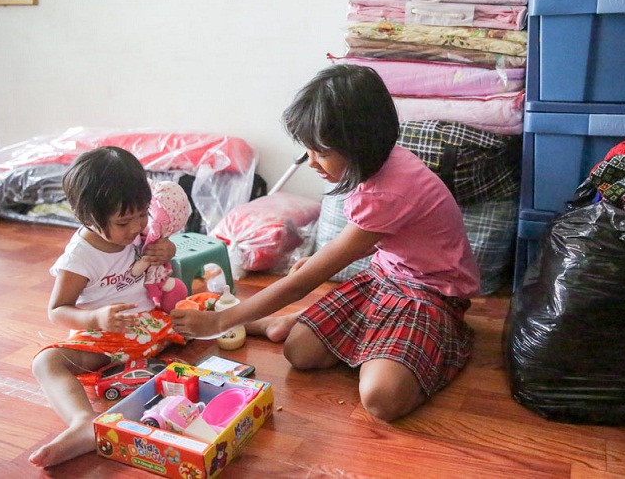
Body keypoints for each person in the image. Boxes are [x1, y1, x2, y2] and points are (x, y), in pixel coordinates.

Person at [172, 64, 479, 421]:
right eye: (308, 151)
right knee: (299, 353)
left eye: (322, 152)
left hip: (432, 294)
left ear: (360, 144)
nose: (313, 164)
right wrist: (322, 260)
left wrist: (221, 321)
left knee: (381, 399)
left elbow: (301, 283)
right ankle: (296, 322)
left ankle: (415, 342)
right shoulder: (379, 164)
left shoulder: (391, 188)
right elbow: (377, 237)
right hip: (388, 277)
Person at [29, 146, 186, 468]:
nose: (136, 227)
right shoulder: (79, 258)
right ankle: (83, 424)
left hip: (155, 325)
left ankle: (262, 323)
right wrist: (95, 318)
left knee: (208, 302)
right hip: (108, 343)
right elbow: (57, 310)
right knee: (46, 362)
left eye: (143, 213)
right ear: (87, 217)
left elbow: (161, 257)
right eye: (124, 221)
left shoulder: (139, 231)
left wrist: (166, 249)